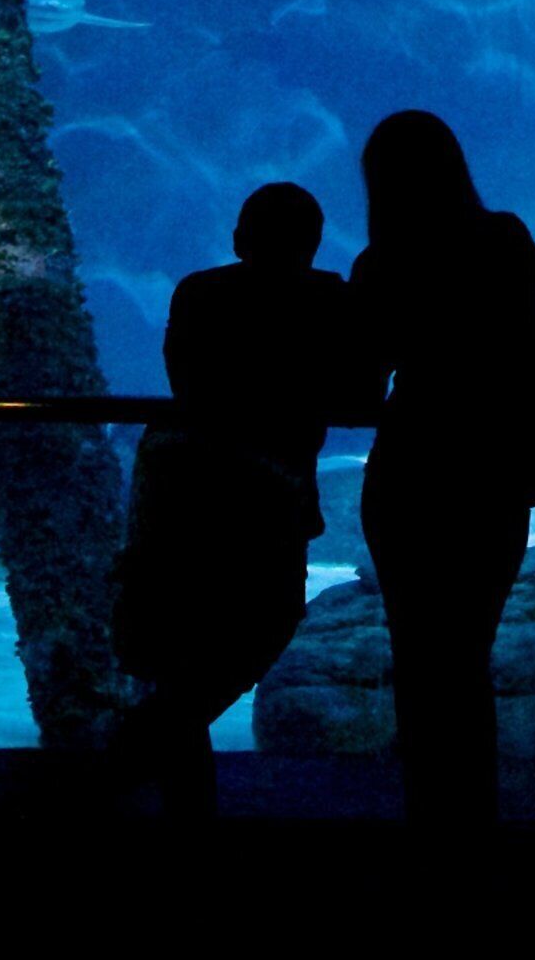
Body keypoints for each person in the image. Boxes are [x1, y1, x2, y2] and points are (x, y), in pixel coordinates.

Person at [110, 182, 369, 817]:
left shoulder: (199, 291)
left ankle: (164, 788)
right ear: (312, 244)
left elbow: (185, 380)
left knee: (180, 656)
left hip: (180, 488)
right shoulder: (329, 300)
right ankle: (128, 757)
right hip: (268, 493)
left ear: (238, 239)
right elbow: (357, 397)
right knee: (263, 626)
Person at [348, 111, 535, 826]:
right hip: (496, 469)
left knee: (418, 652)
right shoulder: (505, 238)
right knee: (469, 652)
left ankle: (429, 819)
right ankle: (472, 819)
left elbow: (357, 383)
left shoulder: (382, 262)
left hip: (412, 471)